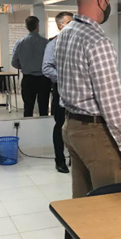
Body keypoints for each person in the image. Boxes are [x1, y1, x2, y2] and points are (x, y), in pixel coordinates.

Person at [53, 0, 121, 239]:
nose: (109, 4)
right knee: (110, 207)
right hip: (96, 133)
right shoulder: (97, 41)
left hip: (72, 127)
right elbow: (110, 99)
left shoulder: (65, 34)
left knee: (84, 207)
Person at [42, 12, 74, 174]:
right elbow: (46, 68)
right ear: (61, 26)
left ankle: (75, 157)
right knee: (60, 125)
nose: (73, 25)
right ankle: (59, 160)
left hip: (78, 91)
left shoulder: (78, 42)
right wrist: (64, 78)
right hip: (61, 89)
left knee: (76, 125)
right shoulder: (53, 44)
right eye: (69, 22)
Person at [12, 16, 50, 117]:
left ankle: (27, 126)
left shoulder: (20, 43)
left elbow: (14, 62)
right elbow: (51, 61)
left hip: (28, 79)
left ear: (26, 27)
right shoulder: (46, 43)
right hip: (43, 80)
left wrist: (24, 66)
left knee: (28, 108)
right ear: (38, 26)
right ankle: (44, 126)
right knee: (44, 107)